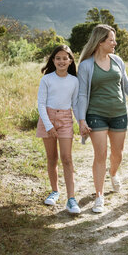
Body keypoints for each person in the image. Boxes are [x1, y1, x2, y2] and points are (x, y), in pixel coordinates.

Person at [77, 24, 128, 213]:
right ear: (100, 42)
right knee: (100, 155)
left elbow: (127, 85)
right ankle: (99, 195)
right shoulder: (86, 65)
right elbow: (82, 95)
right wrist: (82, 120)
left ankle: (113, 174)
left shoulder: (117, 61)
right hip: (96, 115)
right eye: (111, 39)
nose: (115, 43)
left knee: (117, 154)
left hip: (119, 113)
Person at [36, 44, 81, 214]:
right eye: (58, 58)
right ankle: (55, 191)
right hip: (47, 118)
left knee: (67, 158)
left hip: (65, 119)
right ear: (53, 60)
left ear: (70, 61)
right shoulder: (47, 79)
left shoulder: (74, 81)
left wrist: (81, 122)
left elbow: (75, 104)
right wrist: (48, 126)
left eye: (65, 58)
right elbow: (41, 104)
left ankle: (71, 199)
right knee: (52, 158)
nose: (61, 61)